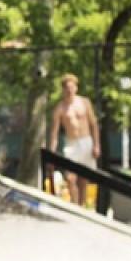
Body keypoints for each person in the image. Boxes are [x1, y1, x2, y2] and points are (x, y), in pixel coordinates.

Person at [48, 73, 101, 207]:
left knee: (84, 178)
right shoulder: (60, 108)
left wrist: (96, 145)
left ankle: (81, 207)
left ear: (76, 88)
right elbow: (54, 134)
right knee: (70, 178)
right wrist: (51, 153)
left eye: (72, 87)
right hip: (71, 144)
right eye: (67, 88)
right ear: (63, 89)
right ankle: (74, 203)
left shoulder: (84, 102)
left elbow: (93, 124)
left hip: (86, 141)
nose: (70, 90)